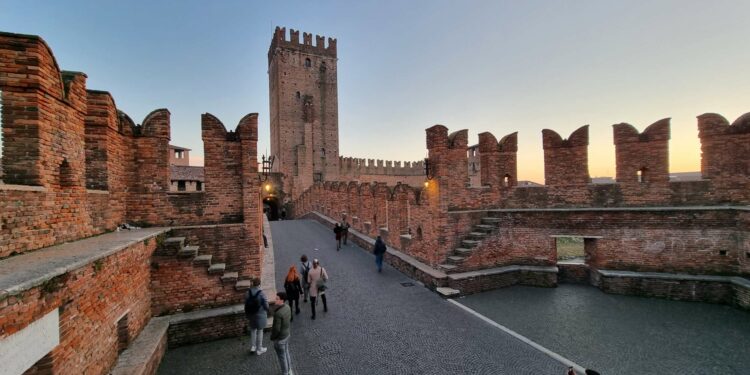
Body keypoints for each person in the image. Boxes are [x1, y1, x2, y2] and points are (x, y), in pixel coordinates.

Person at [244, 278, 268, 355]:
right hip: (260, 315)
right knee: (260, 331)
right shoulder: (261, 293)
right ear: (259, 284)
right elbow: (266, 305)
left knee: (253, 330)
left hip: (251, 314)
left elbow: (245, 303)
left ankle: (253, 347)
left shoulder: (247, 292)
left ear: (252, 284)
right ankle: (259, 349)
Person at [271, 291, 293, 375]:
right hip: (287, 334)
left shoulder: (278, 313)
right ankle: (289, 370)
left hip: (280, 339)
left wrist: (273, 337)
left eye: (277, 299)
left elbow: (276, 329)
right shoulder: (287, 307)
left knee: (282, 357)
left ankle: (285, 372)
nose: (275, 300)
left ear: (282, 300)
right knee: (286, 352)